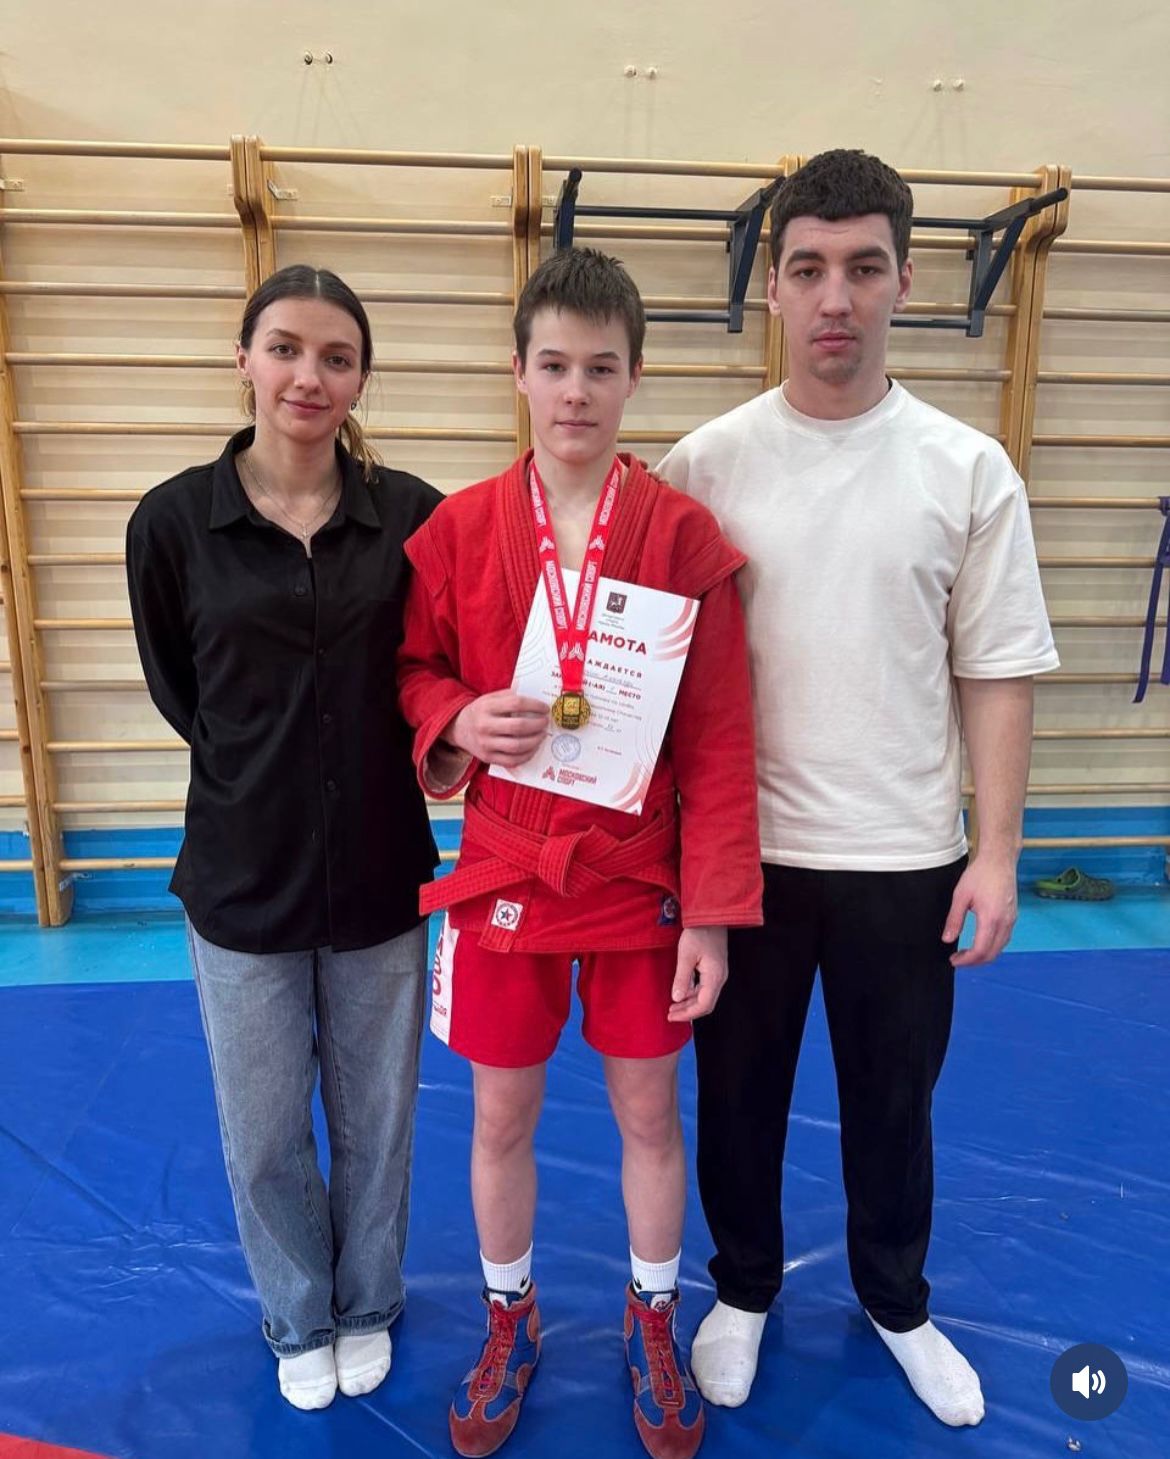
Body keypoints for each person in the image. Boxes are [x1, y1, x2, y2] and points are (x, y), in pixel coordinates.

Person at [656, 149, 1059, 1429]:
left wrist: (996, 851)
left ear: (905, 281)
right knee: (737, 1098)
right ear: (773, 285)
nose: (837, 296)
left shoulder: (966, 467)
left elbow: (996, 668)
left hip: (904, 855)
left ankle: (896, 1300)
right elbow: (645, 672)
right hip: (744, 858)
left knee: (895, 1103)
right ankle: (743, 1288)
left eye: (864, 268)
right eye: (810, 268)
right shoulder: (703, 466)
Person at [397, 248, 762, 1459]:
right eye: (553, 365)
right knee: (501, 1113)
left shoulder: (682, 535)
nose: (576, 391)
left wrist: (710, 911)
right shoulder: (457, 532)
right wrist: (454, 717)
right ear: (517, 372)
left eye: (601, 368)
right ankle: (511, 1316)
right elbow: (411, 671)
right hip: (509, 873)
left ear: (634, 377)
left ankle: (652, 1316)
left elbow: (719, 738)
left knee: (650, 1112)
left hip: (639, 880)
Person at [126, 265, 442, 1411]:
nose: (309, 375)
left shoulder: (415, 516)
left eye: (336, 357)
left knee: (377, 1121)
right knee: (263, 1130)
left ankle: (368, 1301)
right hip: (240, 874)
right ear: (246, 360)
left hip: (381, 870)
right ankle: (298, 1313)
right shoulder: (171, 522)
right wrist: (264, 770)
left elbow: (432, 672)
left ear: (361, 379)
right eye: (286, 348)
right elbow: (183, 689)